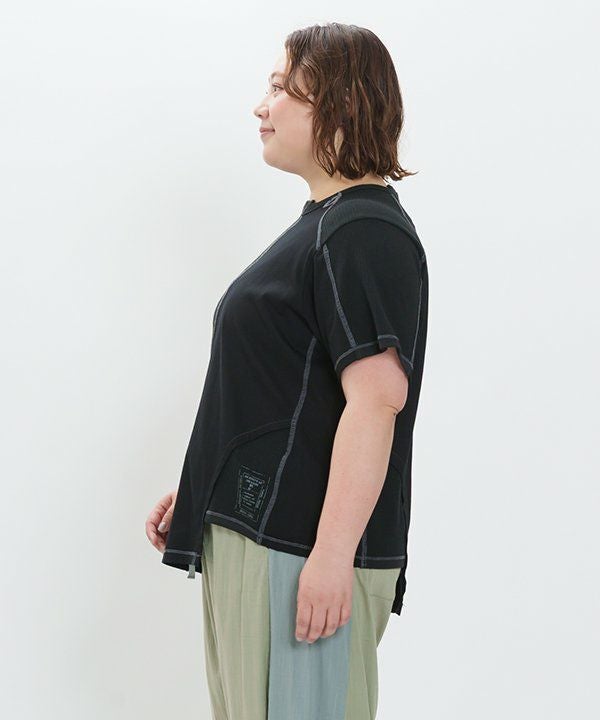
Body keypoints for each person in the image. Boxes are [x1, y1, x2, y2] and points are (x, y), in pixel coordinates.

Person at [146, 22, 428, 720]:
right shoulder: (326, 226)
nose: (261, 105)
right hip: (264, 541)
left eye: (280, 87)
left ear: (338, 104)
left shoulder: (363, 231)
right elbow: (284, 395)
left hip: (299, 551)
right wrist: (207, 487)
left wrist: (331, 557)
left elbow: (376, 402)